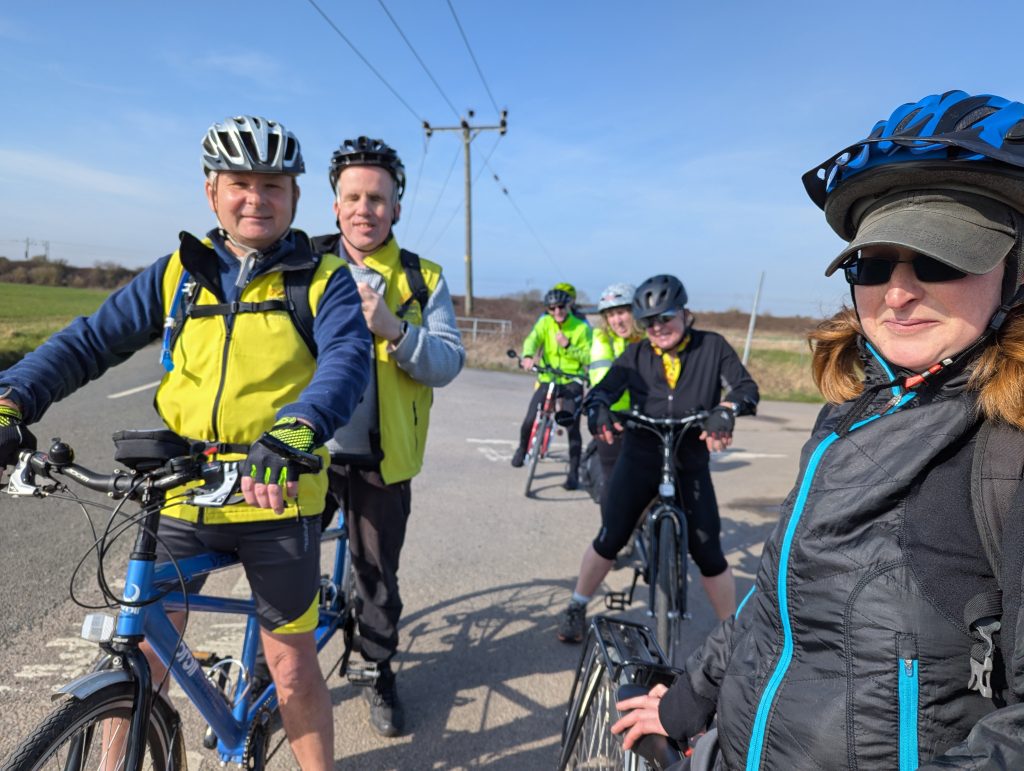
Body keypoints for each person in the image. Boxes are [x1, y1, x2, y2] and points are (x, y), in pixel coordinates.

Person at [613, 90, 1024, 769]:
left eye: (941, 257)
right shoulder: (851, 411)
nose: (896, 292)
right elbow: (775, 597)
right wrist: (686, 700)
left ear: (1014, 271)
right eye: (871, 262)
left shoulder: (1005, 454)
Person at [0, 115, 371, 769]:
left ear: (295, 197)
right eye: (240, 183)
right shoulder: (180, 270)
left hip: (274, 492)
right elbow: (89, 339)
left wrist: (294, 430)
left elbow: (346, 359)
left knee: (290, 667)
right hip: (183, 491)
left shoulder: (323, 279)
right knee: (144, 648)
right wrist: (13, 398)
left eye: (273, 185)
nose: (256, 198)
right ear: (211, 191)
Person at [310, 136, 465, 738]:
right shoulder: (303, 262)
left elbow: (448, 363)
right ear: (334, 204)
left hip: (383, 456)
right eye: (352, 196)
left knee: (375, 577)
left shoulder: (422, 278)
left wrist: (395, 329)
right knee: (285, 564)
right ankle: (285, 667)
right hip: (310, 445)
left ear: (397, 206)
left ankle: (377, 670)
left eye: (378, 197)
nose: (364, 208)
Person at [557, 274, 758, 644]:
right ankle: (576, 603)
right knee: (610, 536)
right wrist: (598, 409)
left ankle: (732, 635)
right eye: (648, 321)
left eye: (665, 317)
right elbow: (603, 390)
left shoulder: (712, 347)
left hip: (690, 461)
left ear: (685, 313)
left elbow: (746, 388)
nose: (658, 327)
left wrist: (726, 409)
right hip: (640, 455)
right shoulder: (635, 355)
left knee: (710, 551)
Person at [510, 286, 592, 489]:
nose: (557, 312)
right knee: (529, 418)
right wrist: (528, 356)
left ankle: (573, 473)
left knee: (572, 427)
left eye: (561, 307)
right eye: (552, 308)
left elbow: (589, 356)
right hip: (548, 377)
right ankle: (522, 448)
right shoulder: (545, 322)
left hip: (571, 380)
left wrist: (568, 346)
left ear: (568, 306)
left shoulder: (581, 327)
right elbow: (533, 339)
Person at [585, 282, 644, 497]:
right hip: (615, 417)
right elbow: (602, 375)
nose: (616, 321)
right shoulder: (603, 338)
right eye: (610, 315)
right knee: (612, 485)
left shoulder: (650, 336)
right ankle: (611, 529)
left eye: (621, 312)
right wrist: (604, 408)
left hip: (650, 416)